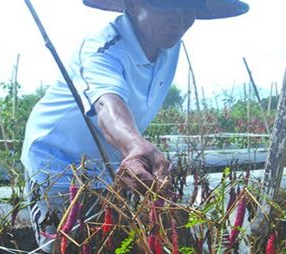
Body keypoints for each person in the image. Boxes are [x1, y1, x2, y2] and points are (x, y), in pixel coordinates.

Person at [21, 0, 249, 252]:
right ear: (132, 4)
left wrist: (132, 150)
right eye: (168, 8)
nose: (180, 21)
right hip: (58, 164)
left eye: (188, 11)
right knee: (68, 246)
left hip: (108, 163)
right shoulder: (103, 46)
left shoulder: (169, 45)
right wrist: (135, 145)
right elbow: (107, 104)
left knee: (114, 241)